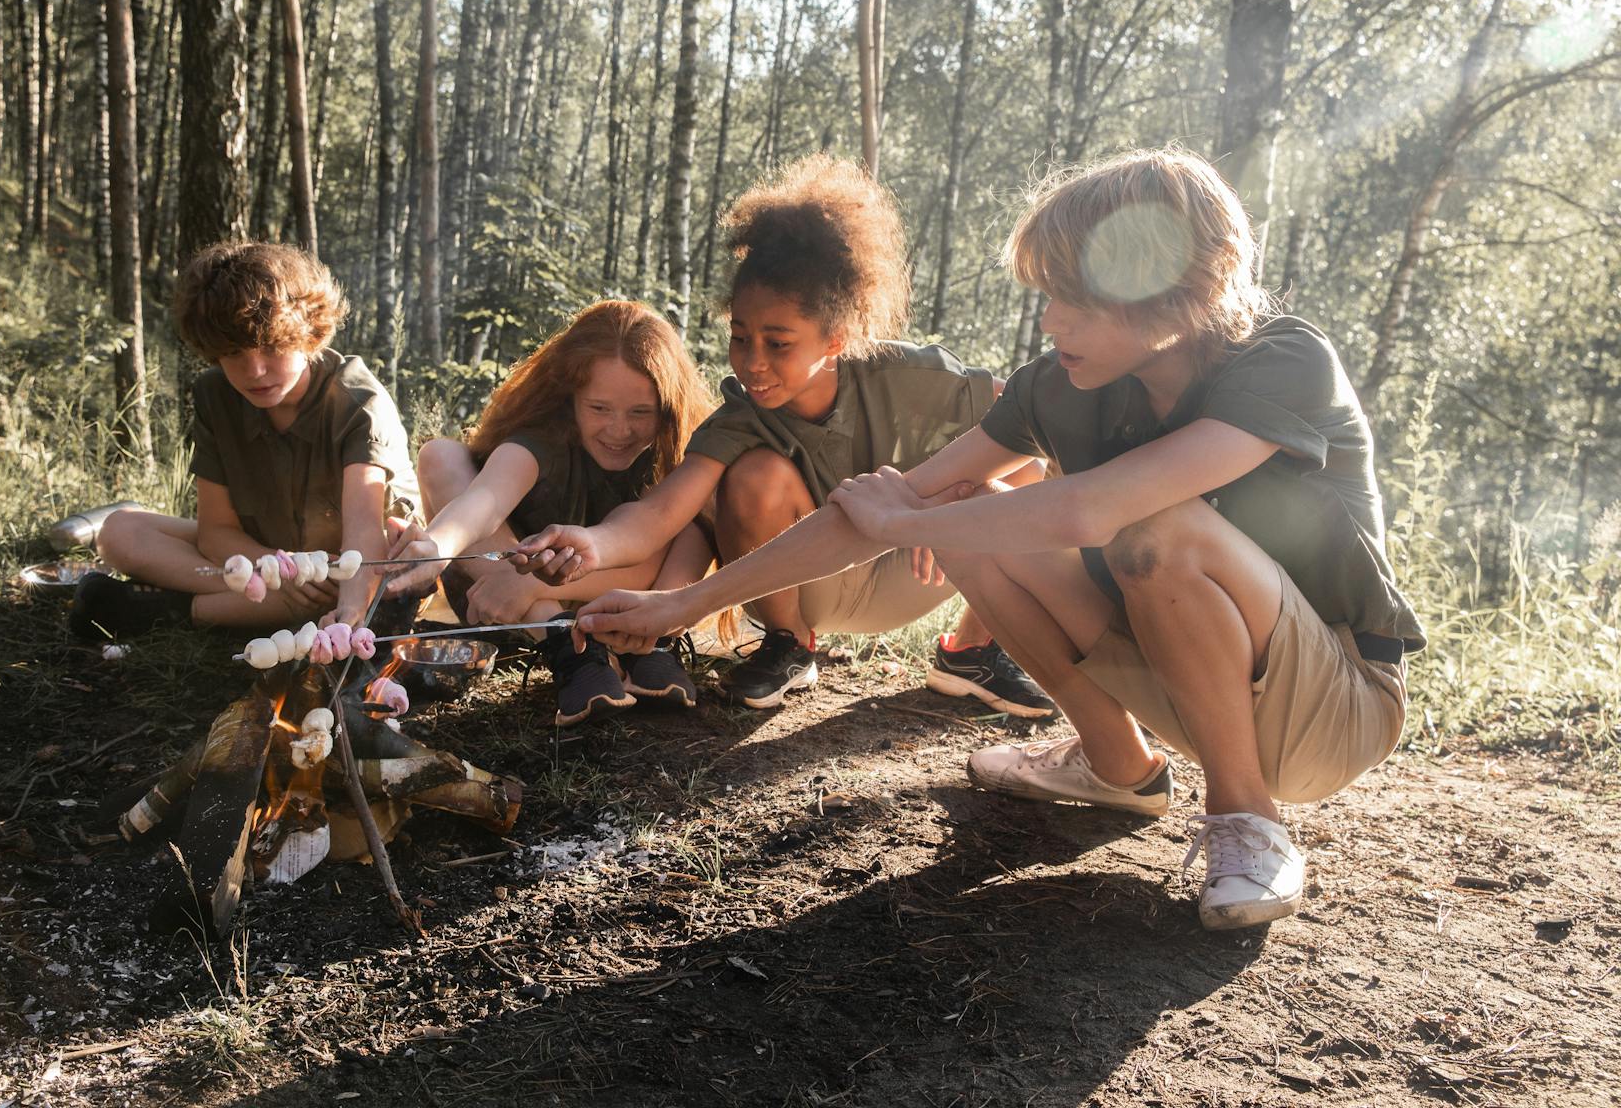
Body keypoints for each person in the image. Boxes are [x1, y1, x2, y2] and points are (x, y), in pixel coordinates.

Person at [570, 149, 1420, 930]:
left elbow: (1091, 510)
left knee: (1159, 530)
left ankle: (1247, 822)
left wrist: (909, 524)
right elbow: (882, 505)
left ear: (1171, 289)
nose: (1050, 321)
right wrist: (682, 603)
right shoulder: (1062, 385)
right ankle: (1117, 765)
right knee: (977, 510)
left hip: (1332, 707)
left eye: (1074, 298)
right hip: (1183, 681)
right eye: (1048, 295)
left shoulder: (1283, 360)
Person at [511, 156, 1051, 715]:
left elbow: (1032, 429)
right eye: (740, 337)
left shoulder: (909, 376)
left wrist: (940, 505)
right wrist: (592, 543)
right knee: (754, 474)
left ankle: (972, 651)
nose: (753, 362)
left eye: (779, 343)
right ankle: (789, 645)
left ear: (836, 339)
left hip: (909, 573)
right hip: (795, 579)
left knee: (1019, 478)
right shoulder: (740, 418)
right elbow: (658, 514)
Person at [381, 301, 715, 727]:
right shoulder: (542, 438)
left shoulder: (672, 454)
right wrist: (437, 545)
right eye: (599, 408)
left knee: (696, 515)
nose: (619, 430)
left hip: (608, 598)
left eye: (640, 412)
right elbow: (485, 501)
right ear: (570, 397)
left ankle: (652, 644)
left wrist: (530, 585)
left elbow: (648, 553)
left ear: (667, 407)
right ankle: (570, 648)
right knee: (440, 455)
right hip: (498, 594)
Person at [69, 241, 420, 641]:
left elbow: (364, 538)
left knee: (338, 591)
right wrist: (280, 570)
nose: (254, 370)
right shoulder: (215, 394)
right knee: (119, 531)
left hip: (353, 570)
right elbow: (216, 532)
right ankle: (238, 603)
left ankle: (168, 610)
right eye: (234, 352)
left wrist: (349, 615)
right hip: (270, 556)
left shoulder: (358, 403)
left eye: (272, 347)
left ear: (309, 332)